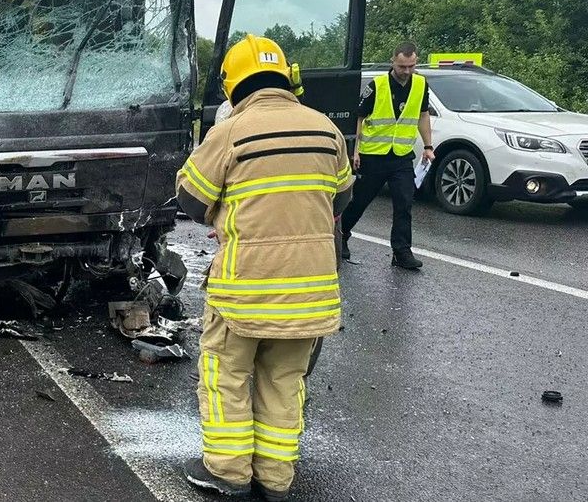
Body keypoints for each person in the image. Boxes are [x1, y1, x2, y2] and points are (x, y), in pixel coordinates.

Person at [175, 35, 353, 500]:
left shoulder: (231, 131)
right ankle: (275, 480)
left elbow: (191, 200)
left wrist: (230, 208)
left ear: (233, 85)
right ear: (288, 77)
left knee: (226, 374)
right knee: (284, 380)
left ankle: (229, 473)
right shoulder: (324, 128)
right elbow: (342, 198)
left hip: (245, 288)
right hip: (312, 289)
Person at [340, 41, 435, 270]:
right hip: (373, 155)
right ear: (393, 61)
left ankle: (401, 252)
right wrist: (355, 152)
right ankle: (341, 235)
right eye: (402, 66)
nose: (407, 71)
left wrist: (428, 146)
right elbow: (359, 118)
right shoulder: (378, 85)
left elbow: (423, 115)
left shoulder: (421, 84)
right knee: (360, 201)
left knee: (404, 202)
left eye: (411, 66)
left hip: (401, 155)